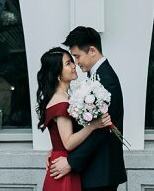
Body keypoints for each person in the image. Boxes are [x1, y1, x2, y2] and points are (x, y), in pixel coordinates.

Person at [49, 25, 127, 191]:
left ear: (92, 51)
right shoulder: (96, 76)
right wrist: (58, 147)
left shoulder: (107, 80)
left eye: (77, 57)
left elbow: (102, 130)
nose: (76, 63)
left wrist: (71, 162)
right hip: (95, 171)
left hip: (101, 172)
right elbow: (88, 124)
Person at [36, 46, 112, 191]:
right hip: (63, 168)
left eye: (72, 61)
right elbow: (69, 143)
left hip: (64, 162)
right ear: (57, 73)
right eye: (68, 63)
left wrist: (54, 148)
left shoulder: (67, 98)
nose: (74, 66)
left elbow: (60, 137)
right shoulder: (61, 102)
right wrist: (93, 126)